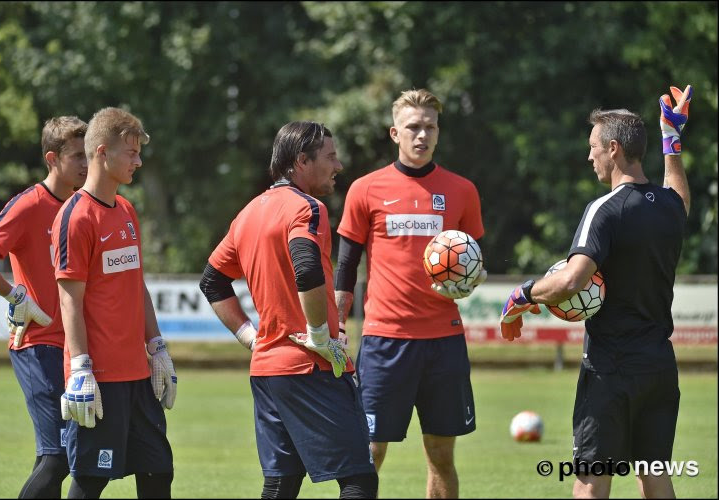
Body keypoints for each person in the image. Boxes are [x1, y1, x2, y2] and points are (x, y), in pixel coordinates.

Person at [499, 85, 692, 499]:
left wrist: (524, 294)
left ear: (614, 149)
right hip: (659, 366)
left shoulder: (604, 209)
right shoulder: (669, 206)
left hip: (610, 369)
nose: (590, 156)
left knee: (590, 481)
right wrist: (671, 136)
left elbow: (572, 279)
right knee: (656, 478)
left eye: (593, 147)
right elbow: (679, 193)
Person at [199, 121, 378, 499]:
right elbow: (307, 266)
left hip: (267, 371)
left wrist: (253, 339)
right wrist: (319, 335)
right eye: (330, 157)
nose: (339, 165)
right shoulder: (307, 208)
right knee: (359, 480)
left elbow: (212, 282)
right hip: (309, 366)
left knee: (281, 484)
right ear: (301, 161)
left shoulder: (248, 212)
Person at [334, 89, 486, 498]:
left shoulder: (462, 191)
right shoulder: (365, 189)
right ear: (394, 133)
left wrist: (470, 280)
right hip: (385, 341)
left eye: (430, 127)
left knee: (441, 455)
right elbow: (345, 267)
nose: (422, 135)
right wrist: (336, 326)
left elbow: (473, 263)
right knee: (368, 451)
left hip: (443, 341)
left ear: (439, 131)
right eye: (413, 127)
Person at [51, 107, 177, 499]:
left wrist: (157, 347)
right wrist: (80, 369)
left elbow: (135, 285)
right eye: (131, 153)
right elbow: (70, 301)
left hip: (138, 377)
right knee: (91, 479)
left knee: (158, 472)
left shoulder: (126, 210)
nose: (138, 161)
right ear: (102, 153)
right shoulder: (75, 217)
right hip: (99, 379)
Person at [0, 116, 88, 498]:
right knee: (59, 456)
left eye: (88, 155)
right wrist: (14, 296)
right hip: (37, 345)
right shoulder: (28, 204)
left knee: (59, 456)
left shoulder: (82, 207)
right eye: (76, 156)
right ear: (51, 158)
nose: (86, 164)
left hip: (72, 348)